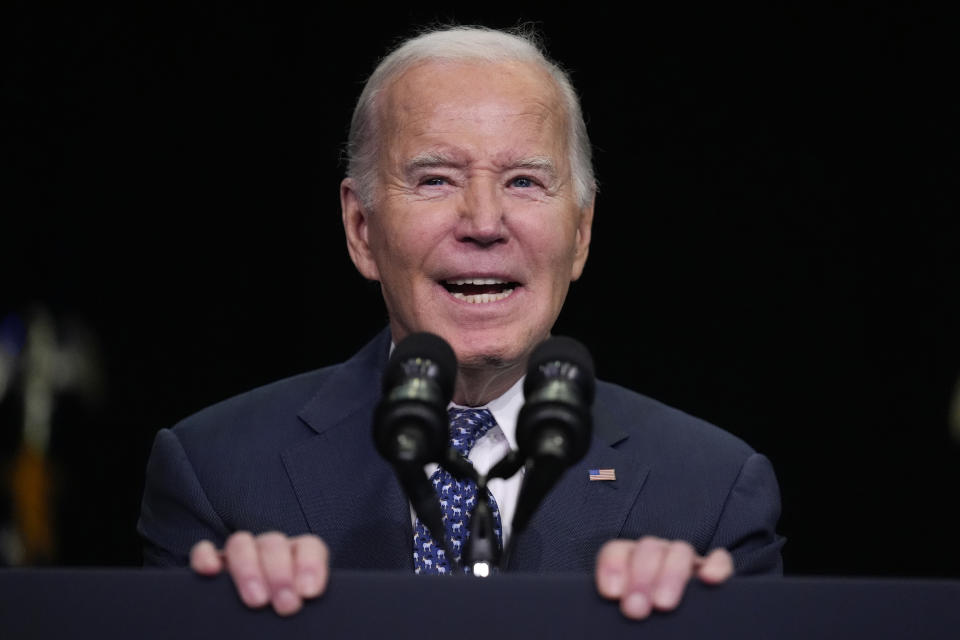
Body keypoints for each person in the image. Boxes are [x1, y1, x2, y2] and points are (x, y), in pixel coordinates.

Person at [138, 25, 784, 621]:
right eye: (437, 179)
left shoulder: (711, 493)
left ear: (581, 234)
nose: (482, 222)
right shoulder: (216, 473)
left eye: (525, 181)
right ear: (361, 229)